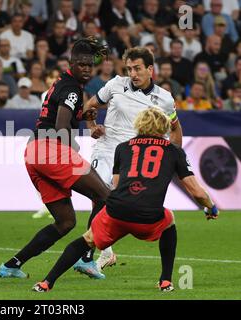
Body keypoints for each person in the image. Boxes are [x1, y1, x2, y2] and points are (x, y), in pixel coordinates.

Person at [32, 106, 219, 293]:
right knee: (169, 220)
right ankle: (165, 281)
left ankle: (46, 283)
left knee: (86, 240)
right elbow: (197, 192)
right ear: (164, 126)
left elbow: (116, 185)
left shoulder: (123, 148)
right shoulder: (174, 151)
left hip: (116, 212)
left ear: (138, 124)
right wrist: (211, 208)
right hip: (149, 216)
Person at [0, 37, 110, 280]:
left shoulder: (63, 83)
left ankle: (11, 265)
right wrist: (73, 144)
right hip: (51, 150)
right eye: (81, 64)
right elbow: (60, 125)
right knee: (104, 195)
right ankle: (87, 259)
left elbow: (61, 115)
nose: (87, 69)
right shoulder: (71, 89)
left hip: (34, 152)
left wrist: (82, 116)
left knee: (65, 222)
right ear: (71, 63)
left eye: (90, 65)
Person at [81, 47, 183, 272]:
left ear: (150, 69)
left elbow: (175, 129)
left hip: (135, 157)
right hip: (107, 149)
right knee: (99, 194)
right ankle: (91, 257)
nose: (133, 74)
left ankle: (101, 253)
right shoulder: (116, 84)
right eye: (129, 69)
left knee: (117, 203)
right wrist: (91, 127)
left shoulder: (164, 99)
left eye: (137, 69)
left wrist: (177, 159)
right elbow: (90, 106)